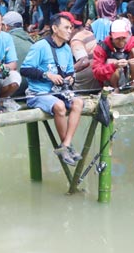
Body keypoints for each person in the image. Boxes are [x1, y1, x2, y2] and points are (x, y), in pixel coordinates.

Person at [20, 13, 85, 166]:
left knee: (79, 103)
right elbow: (25, 69)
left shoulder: (67, 49)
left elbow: (69, 72)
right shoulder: (40, 46)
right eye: (66, 28)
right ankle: (66, 146)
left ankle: (66, 144)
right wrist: (47, 75)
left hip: (59, 91)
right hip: (39, 92)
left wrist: (71, 78)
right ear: (55, 29)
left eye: (71, 28)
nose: (70, 31)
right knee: (59, 106)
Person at [92, 19, 134, 89]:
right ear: (110, 35)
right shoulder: (102, 47)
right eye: (117, 38)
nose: (121, 42)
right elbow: (96, 73)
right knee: (111, 61)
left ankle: (133, 85)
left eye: (123, 38)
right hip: (110, 81)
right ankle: (115, 88)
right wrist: (113, 66)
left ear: (128, 35)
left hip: (131, 76)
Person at [1, 11, 33, 93]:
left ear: (5, 26)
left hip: (13, 88)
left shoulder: (4, 41)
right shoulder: (31, 41)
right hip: (32, 87)